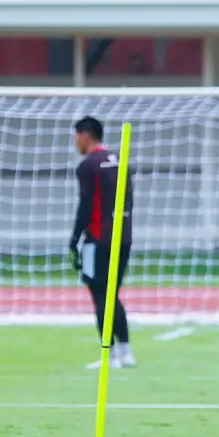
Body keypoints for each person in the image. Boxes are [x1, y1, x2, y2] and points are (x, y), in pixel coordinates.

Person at [70, 116, 135, 371]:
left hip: (97, 240)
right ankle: (126, 352)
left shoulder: (88, 165)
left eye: (76, 135)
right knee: (113, 294)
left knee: (100, 295)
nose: (76, 141)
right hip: (124, 237)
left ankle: (109, 354)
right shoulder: (121, 161)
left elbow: (86, 204)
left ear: (86, 135)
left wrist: (74, 238)